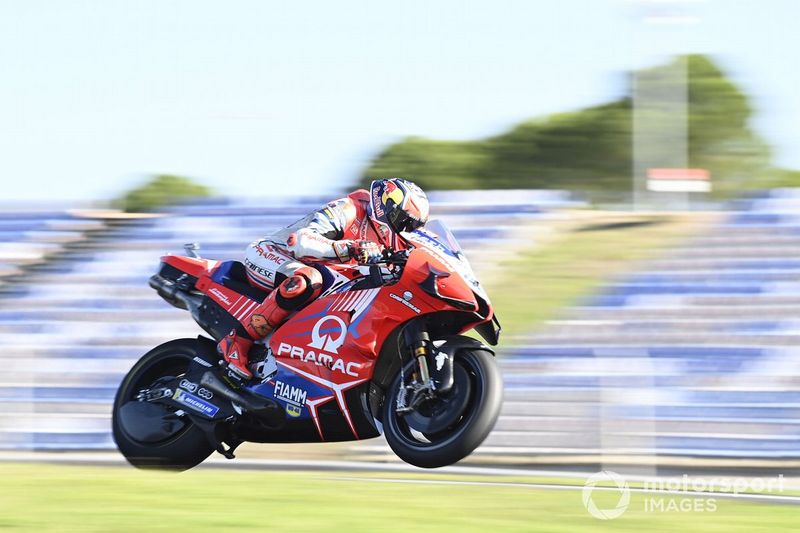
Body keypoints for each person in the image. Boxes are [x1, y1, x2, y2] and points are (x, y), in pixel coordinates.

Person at [217, 178, 430, 381]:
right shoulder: (350, 208)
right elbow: (300, 242)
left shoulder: (394, 244)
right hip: (272, 253)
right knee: (307, 281)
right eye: (405, 222)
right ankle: (237, 343)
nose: (407, 231)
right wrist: (351, 247)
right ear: (387, 208)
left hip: (318, 270)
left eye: (413, 227)